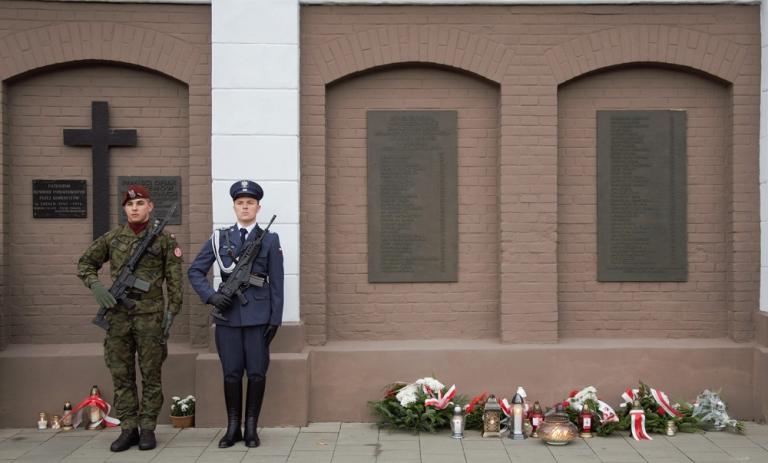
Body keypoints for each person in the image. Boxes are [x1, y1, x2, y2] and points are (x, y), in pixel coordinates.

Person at [77, 185, 183, 452]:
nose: (134, 208)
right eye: (130, 205)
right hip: (118, 318)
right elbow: (85, 264)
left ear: (150, 207)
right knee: (121, 375)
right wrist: (97, 287)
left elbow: (174, 279)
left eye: (140, 203)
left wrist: (172, 312)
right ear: (125, 209)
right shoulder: (113, 239)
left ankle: (147, 428)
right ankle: (128, 429)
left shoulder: (164, 240)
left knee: (151, 374)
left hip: (150, 317)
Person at [188, 180, 284, 448]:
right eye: (240, 203)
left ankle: (251, 428)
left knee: (256, 373)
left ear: (258, 207)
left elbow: (277, 283)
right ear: (234, 207)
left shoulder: (270, 239)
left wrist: (275, 320)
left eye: (250, 203)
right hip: (227, 317)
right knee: (231, 373)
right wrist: (211, 296)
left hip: (258, 318)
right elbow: (195, 270)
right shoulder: (220, 238)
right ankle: (233, 428)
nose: (245, 207)